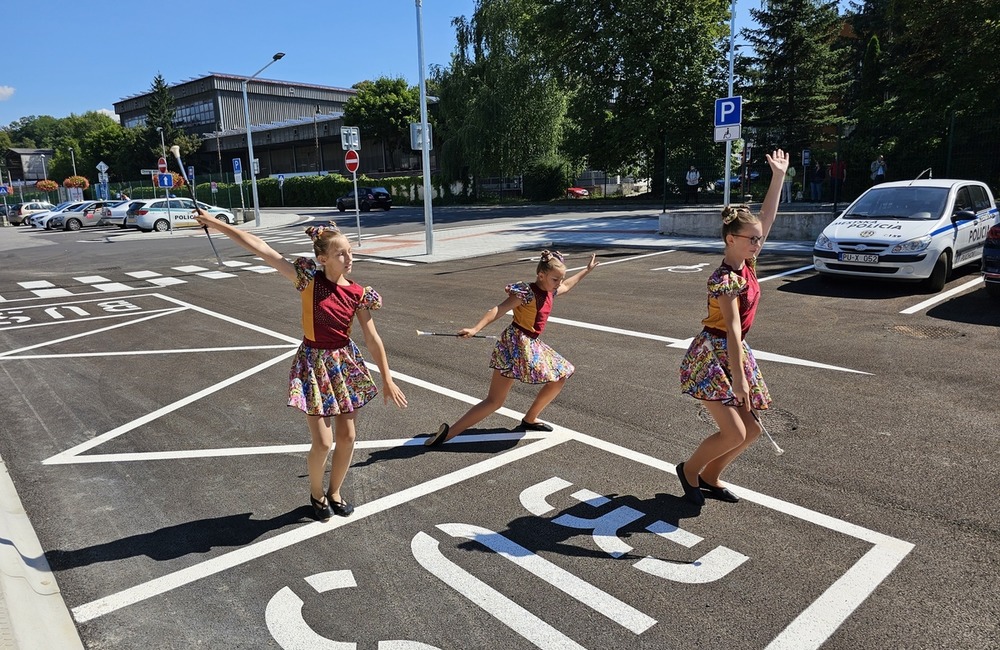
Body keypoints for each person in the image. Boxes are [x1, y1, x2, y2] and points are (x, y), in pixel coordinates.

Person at [192, 214, 408, 520]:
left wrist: (387, 377)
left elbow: (373, 339)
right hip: (314, 364)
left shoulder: (359, 294)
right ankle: (317, 494)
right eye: (341, 254)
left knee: (347, 437)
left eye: (350, 251)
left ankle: (335, 491)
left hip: (344, 364)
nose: (349, 258)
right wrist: (217, 224)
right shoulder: (308, 281)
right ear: (322, 259)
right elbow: (261, 247)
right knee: (323, 441)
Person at [674, 148, 788, 507]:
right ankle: (689, 471)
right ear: (730, 240)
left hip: (732, 353)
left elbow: (766, 217)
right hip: (713, 355)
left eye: (758, 239)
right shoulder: (725, 279)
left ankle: (711, 475)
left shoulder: (747, 263)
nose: (758, 243)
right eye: (751, 239)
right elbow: (733, 331)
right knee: (735, 430)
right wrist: (739, 380)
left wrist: (778, 177)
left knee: (751, 431)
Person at [424, 250, 599, 446]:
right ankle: (448, 434)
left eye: (560, 279)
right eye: (555, 279)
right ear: (541, 276)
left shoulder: (551, 289)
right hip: (516, 344)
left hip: (529, 343)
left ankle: (530, 419)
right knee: (495, 401)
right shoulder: (527, 292)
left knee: (560, 375)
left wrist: (586, 270)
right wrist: (475, 328)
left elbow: (567, 286)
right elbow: (499, 309)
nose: (559, 283)